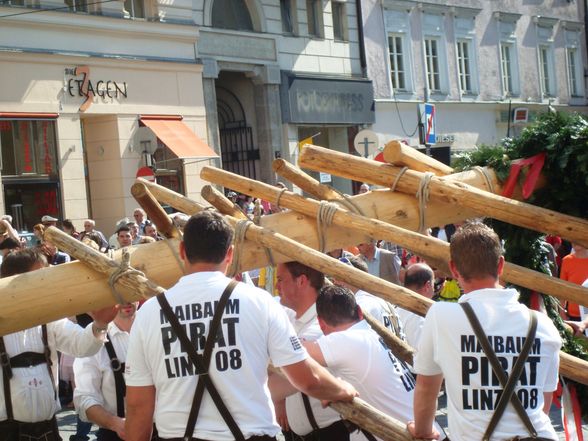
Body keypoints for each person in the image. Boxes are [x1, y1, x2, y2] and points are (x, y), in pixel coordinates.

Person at [124, 211, 357, 441]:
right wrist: (341, 389)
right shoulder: (259, 302)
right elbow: (306, 378)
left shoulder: (148, 314)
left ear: (183, 251)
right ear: (230, 253)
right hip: (249, 434)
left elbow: (137, 406)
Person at [408, 222, 561, 441]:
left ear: (453, 268)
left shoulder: (441, 316)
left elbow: (426, 388)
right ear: (500, 265)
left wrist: (422, 432)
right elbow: (542, 403)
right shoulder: (543, 324)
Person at [0, 248, 117, 440]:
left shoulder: (48, 318)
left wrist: (100, 324)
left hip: (48, 430)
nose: (46, 283)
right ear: (16, 281)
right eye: (40, 277)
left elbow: (81, 346)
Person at [305, 285, 426, 441]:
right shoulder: (366, 334)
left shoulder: (347, 340)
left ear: (321, 324)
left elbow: (291, 350)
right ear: (360, 312)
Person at [270, 261, 348, 441]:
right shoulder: (292, 318)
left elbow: (280, 383)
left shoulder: (319, 327)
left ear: (302, 281)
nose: (276, 286)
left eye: (281, 279)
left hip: (331, 433)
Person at [74, 302, 138, 441]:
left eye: (130, 293)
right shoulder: (91, 339)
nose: (126, 300)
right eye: (118, 294)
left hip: (163, 432)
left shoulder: (157, 329)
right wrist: (114, 423)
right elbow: (85, 398)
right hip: (114, 435)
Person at [335, 256, 405, 339]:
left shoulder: (362, 303)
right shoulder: (377, 300)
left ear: (356, 278)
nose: (335, 282)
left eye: (339, 277)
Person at [397, 263, 435, 349]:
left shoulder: (395, 307)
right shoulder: (420, 318)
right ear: (427, 286)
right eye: (434, 283)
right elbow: (422, 354)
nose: (434, 289)